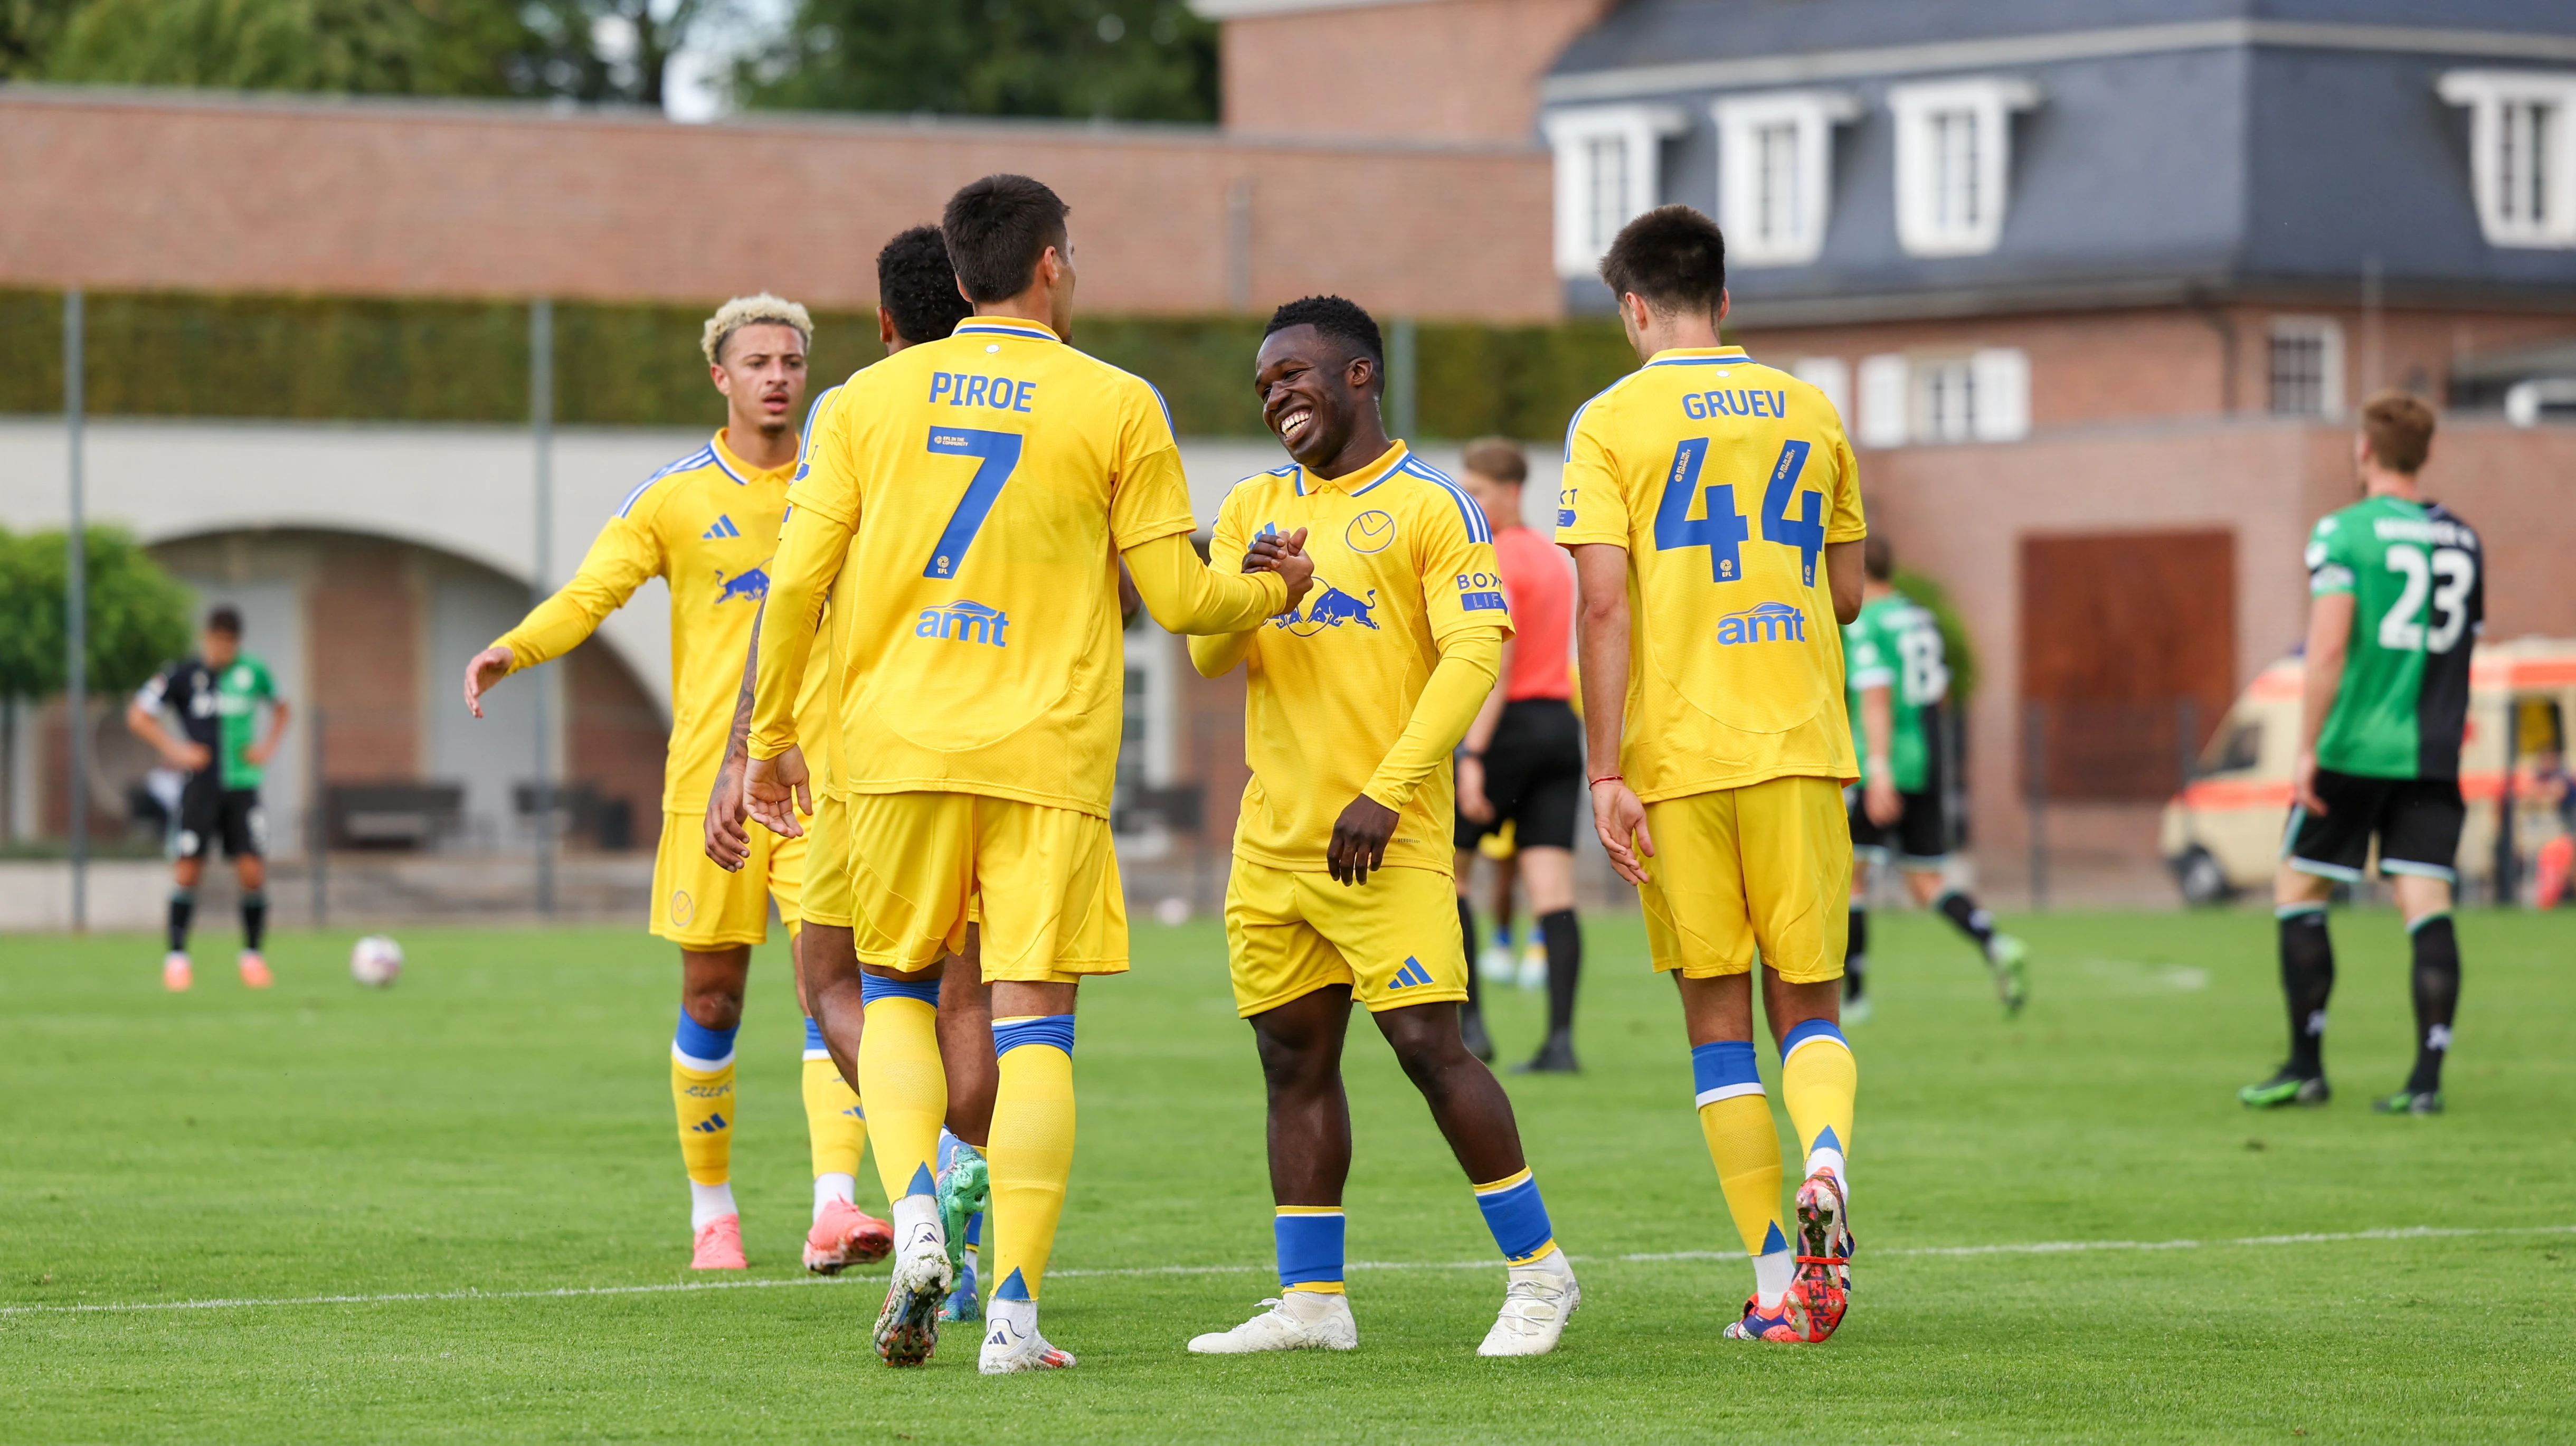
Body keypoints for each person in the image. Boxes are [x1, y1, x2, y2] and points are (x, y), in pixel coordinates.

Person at [740, 174, 1312, 1373]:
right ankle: (1011, 1318)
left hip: (894, 750)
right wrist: (1272, 588)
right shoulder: (1115, 401)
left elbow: (793, 588)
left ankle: (907, 1216)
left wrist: (769, 734)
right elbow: (1179, 600)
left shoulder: (862, 403)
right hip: (1044, 757)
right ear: (1051, 262)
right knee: (1034, 1024)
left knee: (893, 991)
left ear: (955, 280)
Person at [1183, 299, 1580, 1360]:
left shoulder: (1433, 505)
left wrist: (1392, 787)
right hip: (1275, 839)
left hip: (1387, 831)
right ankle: (1312, 1302)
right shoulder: (1254, 504)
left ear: (1360, 375)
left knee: (1426, 1045)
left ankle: (1540, 1275)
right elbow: (1208, 658)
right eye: (1263, 385)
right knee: (1291, 1060)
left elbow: (1472, 657)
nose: (1276, 397)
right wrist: (1260, 585)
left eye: (1295, 375)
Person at [461, 293, 853, 1272]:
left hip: (818, 780)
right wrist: (516, 647)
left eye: (791, 361)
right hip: (705, 789)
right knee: (714, 997)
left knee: (828, 985)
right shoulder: (675, 494)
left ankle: (835, 1205)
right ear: (719, 377)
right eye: (757, 361)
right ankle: (712, 1211)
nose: (777, 376)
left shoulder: (848, 479)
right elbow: (592, 590)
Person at [1560, 204, 1864, 1345]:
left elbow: (1600, 601)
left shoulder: (1609, 420)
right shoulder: (1811, 405)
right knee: (1811, 999)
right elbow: (1846, 595)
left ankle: (1780, 1281)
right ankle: (1824, 1155)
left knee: (1716, 1022)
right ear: (1724, 300)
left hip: (1679, 760)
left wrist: (1603, 771)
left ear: (1633, 307)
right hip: (1798, 744)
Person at [702, 230, 975, 1280]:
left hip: (868, 755)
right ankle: (978, 1210)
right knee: (990, 999)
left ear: (883, 320)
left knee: (839, 986)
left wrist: (750, 747)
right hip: (1017, 756)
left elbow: (795, 587)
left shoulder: (854, 411)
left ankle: (912, 1195)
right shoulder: (1072, 398)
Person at [2240, 393, 2481, 1116]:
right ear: (2426, 454)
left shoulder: (2342, 532)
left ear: (2365, 452)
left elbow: (2329, 647)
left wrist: (2307, 747)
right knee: (2426, 904)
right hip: (2432, 753)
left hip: (2353, 745)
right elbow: (2469, 644)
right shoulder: (2465, 539)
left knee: (2299, 893)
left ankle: (2306, 1066)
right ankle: (2426, 1081)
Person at [1840, 534, 2025, 1024]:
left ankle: (1854, 996)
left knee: (1848, 878)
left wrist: (1877, 769)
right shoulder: (1919, 616)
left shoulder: (1866, 621)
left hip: (1883, 762)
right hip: (1928, 759)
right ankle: (1994, 940)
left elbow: (1875, 695)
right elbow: (1940, 694)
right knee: (1926, 883)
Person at [1450, 436, 1588, 1073]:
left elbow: (1495, 669)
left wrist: (1471, 754)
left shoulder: (1496, 558)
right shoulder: (1553, 557)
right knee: (1552, 891)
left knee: (1450, 877)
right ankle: (1558, 1042)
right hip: (1560, 725)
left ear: (1509, 492)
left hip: (1505, 727)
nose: (1466, 502)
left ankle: (1470, 1027)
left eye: (1475, 491)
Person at [128, 606, 290, 991]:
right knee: (188, 870)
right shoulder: (181, 674)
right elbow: (137, 715)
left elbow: (283, 708)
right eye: (217, 641)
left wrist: (266, 748)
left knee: (252, 872)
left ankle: (252, 957)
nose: (222, 650)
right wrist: (176, 750)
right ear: (206, 637)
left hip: (242, 788)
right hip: (199, 788)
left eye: (229, 643)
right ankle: (177, 958)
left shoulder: (254, 672)